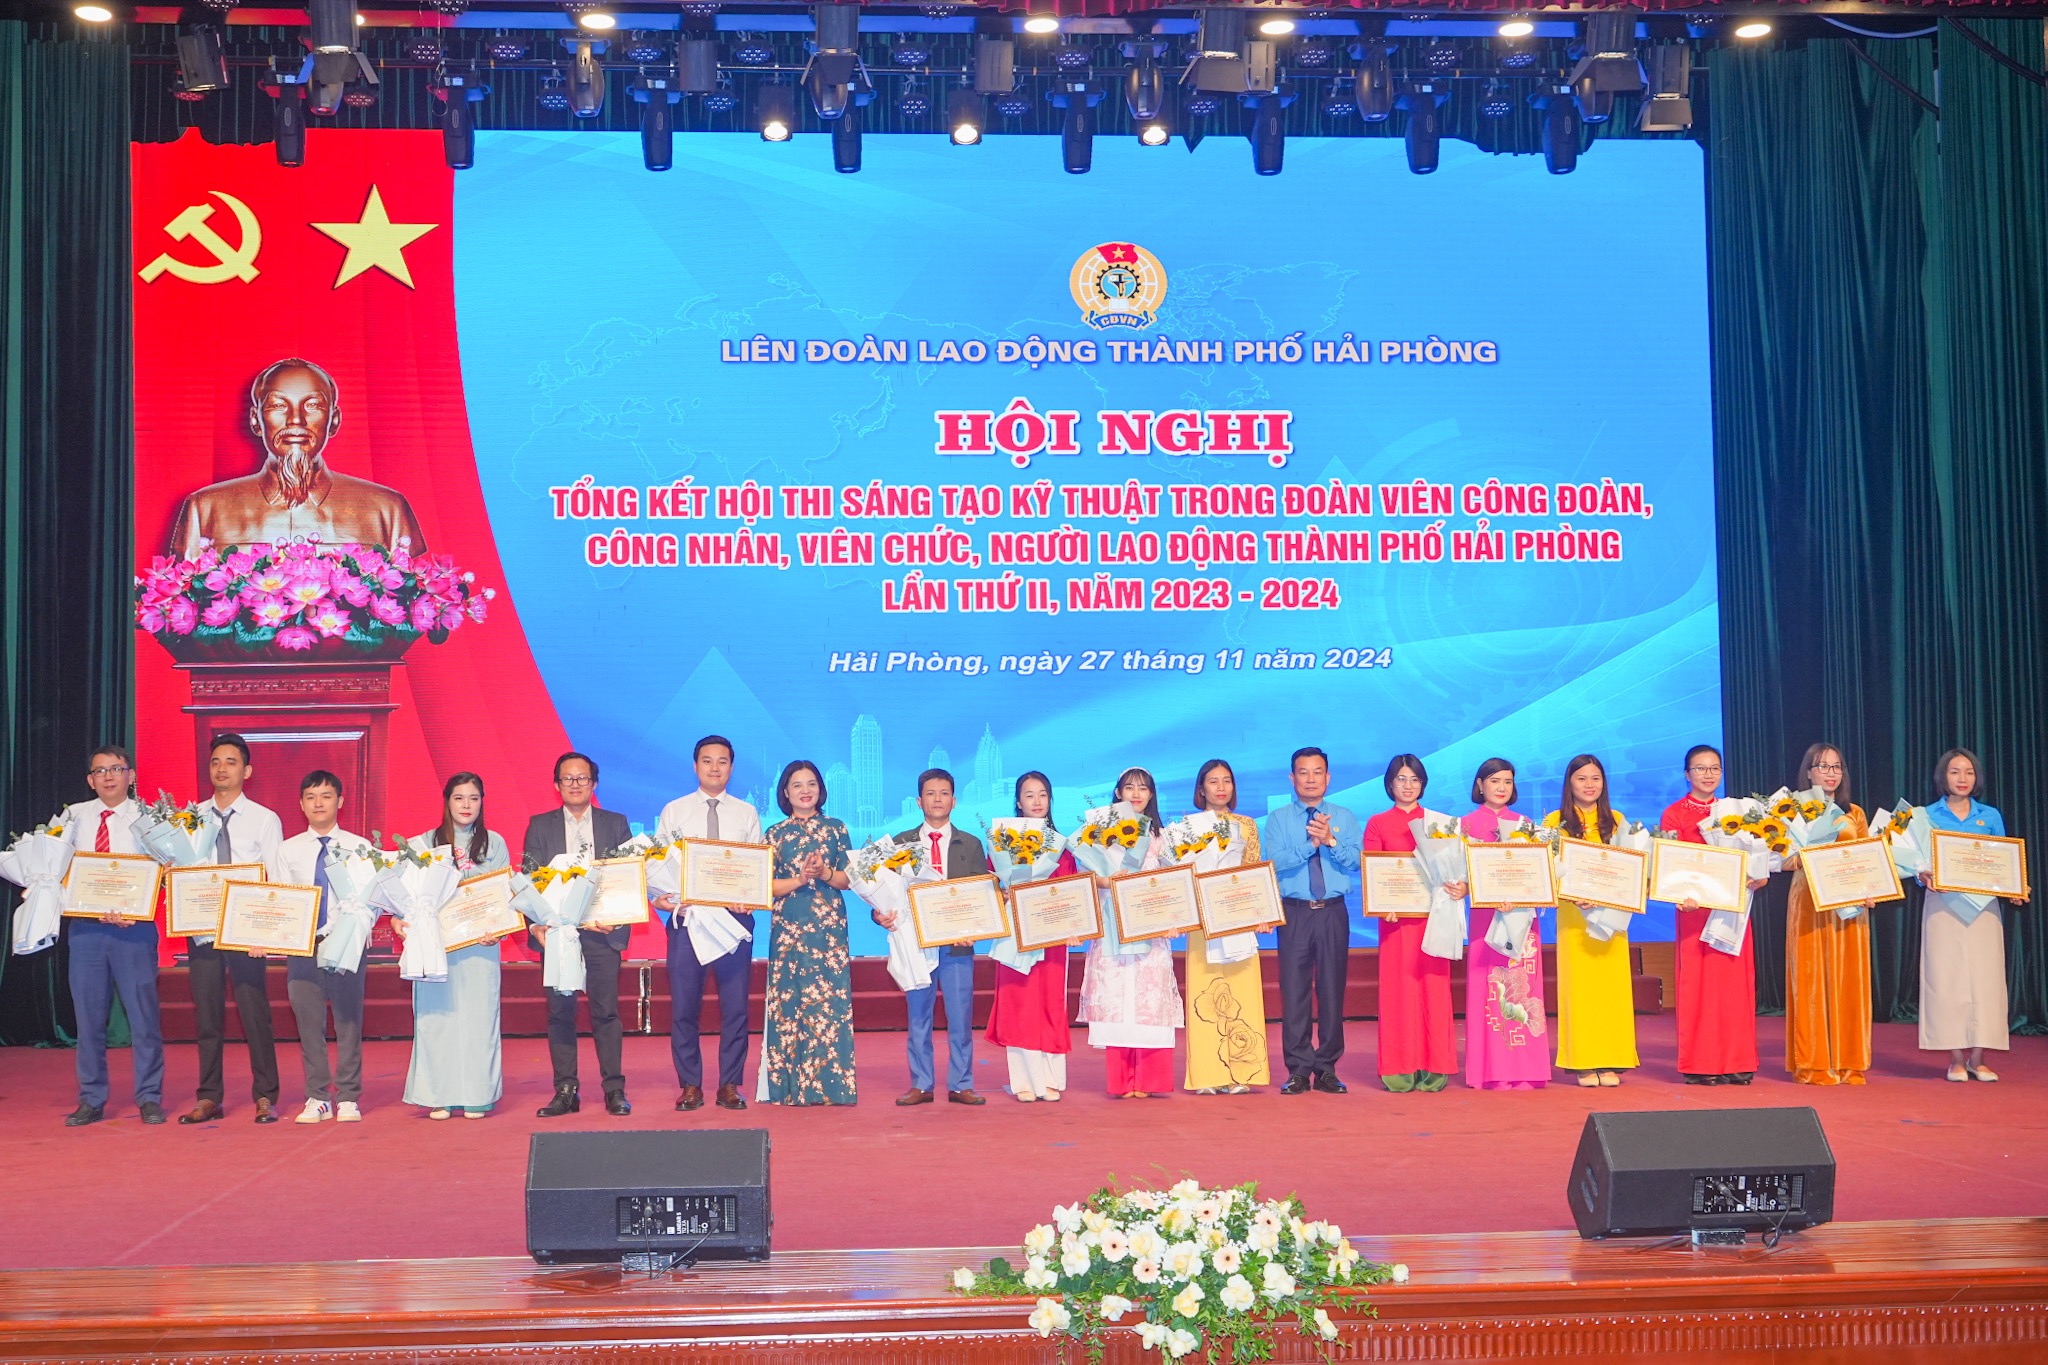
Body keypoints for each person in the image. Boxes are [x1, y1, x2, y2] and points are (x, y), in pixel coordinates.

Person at [167, 357, 426, 560]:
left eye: (313, 405)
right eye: (278, 406)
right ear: (256, 420)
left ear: (334, 420)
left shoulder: (387, 510)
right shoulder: (205, 509)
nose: (295, 420)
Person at [654, 735, 763, 1113]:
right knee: (684, 1008)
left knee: (736, 1009)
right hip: (688, 922)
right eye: (707, 760)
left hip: (733, 922)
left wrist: (750, 896)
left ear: (731, 767)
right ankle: (690, 1085)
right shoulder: (674, 811)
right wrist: (659, 897)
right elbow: (658, 863)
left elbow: (755, 868)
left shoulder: (746, 813)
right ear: (695, 765)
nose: (714, 768)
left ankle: (730, 1084)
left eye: (722, 761)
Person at [181, 733, 286, 1125]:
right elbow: (182, 872)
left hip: (246, 931)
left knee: (254, 1013)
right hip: (203, 928)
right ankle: (209, 1097)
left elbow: (276, 878)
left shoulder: (264, 818)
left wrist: (265, 933)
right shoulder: (189, 818)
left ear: (247, 770)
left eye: (230, 762)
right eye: (215, 762)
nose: (221, 769)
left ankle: (266, 1095)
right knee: (207, 1016)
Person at [522, 751, 634, 1118]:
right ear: (556, 785)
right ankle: (566, 1090)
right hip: (558, 936)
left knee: (606, 1013)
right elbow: (530, 881)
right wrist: (537, 925)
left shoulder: (615, 824)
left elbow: (626, 877)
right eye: (567, 778)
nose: (574, 784)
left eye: (582, 778)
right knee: (560, 1013)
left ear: (594, 784)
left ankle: (614, 1089)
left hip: (601, 934)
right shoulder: (540, 826)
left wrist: (615, 917)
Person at [59, 744, 167, 1127]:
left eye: (116, 769)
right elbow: (56, 868)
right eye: (100, 771)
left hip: (133, 931)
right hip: (86, 931)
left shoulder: (150, 818)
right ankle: (91, 1098)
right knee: (88, 1019)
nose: (108, 776)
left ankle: (149, 1097)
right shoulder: (72, 817)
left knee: (143, 1018)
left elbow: (166, 869)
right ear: (90, 780)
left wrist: (135, 905)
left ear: (131, 775)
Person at [1662, 745, 1769, 1085]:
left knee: (1734, 987)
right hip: (1695, 910)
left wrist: (1760, 874)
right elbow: (1670, 864)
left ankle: (1737, 1060)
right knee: (1699, 987)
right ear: (1687, 774)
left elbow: (1757, 854)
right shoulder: (1674, 814)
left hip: (1733, 909)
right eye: (1700, 768)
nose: (1708, 774)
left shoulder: (1737, 812)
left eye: (1714, 768)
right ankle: (1701, 1062)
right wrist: (1681, 895)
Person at [271, 770, 374, 1123]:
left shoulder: (361, 848)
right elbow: (280, 899)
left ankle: (348, 1096)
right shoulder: (288, 850)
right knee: (308, 1023)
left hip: (348, 943)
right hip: (303, 945)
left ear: (340, 801)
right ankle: (317, 1096)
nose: (318, 803)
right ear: (301, 804)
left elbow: (373, 899)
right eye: (311, 797)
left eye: (326, 796)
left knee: (349, 1021)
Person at [404, 772, 510, 1119]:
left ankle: (478, 1093)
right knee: (438, 1019)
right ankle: (440, 1095)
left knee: (479, 1020)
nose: (466, 805)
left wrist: (498, 930)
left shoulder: (495, 843)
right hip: (437, 946)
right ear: (447, 801)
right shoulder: (424, 843)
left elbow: (505, 894)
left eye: (474, 798)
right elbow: (409, 894)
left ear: (482, 803)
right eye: (459, 798)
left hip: (481, 946)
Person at [1918, 748, 2027, 1082]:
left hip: (1983, 907)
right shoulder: (1925, 815)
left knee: (1986, 979)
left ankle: (1978, 1058)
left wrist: (2015, 886)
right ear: (1943, 776)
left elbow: (2003, 862)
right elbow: (1916, 861)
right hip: (1943, 904)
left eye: (1968, 772)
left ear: (1976, 777)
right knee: (1945, 979)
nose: (1962, 778)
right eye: (1954, 772)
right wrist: (1922, 875)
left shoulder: (1990, 816)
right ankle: (1954, 1058)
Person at [1078, 766, 1185, 1099]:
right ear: (1118, 793)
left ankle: (1149, 1081)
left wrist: (1175, 916)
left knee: (1149, 1000)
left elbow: (1175, 882)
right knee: (1118, 998)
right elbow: (1084, 875)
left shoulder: (1162, 837)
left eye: (1143, 788)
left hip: (1151, 932)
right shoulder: (1100, 834)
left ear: (1151, 794)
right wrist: (1104, 880)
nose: (1136, 794)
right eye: (1129, 787)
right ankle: (1123, 1081)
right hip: (1112, 928)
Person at [885, 768, 987, 1105]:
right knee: (918, 1016)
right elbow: (884, 892)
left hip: (957, 946)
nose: (937, 799)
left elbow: (981, 895)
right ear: (919, 801)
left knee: (961, 1016)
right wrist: (879, 915)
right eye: (930, 793)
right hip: (915, 944)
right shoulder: (901, 844)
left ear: (954, 801)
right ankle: (921, 1084)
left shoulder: (971, 844)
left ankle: (961, 1083)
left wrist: (975, 929)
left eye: (944, 793)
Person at [759, 760, 856, 1106]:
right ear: (785, 792)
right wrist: (800, 879)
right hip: (788, 927)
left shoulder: (836, 829)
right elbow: (765, 886)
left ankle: (831, 1088)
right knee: (789, 1004)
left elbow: (850, 879)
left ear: (820, 789)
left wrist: (825, 872)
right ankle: (788, 1088)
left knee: (829, 1005)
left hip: (828, 929)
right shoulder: (774, 834)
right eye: (797, 785)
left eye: (811, 783)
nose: (805, 790)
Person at [1265, 747, 1360, 1095]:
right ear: (1292, 778)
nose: (1310, 779)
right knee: (1295, 992)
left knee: (1333, 990)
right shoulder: (1278, 819)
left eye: (1317, 772)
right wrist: (1311, 844)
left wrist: (1330, 840)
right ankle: (1299, 1069)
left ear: (1328, 777)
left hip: (1333, 911)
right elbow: (1275, 862)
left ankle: (1327, 1068)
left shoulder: (1344, 816)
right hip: (1295, 912)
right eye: (1303, 772)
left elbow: (1357, 861)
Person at [1360, 754, 1458, 1093]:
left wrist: (1458, 886)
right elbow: (1373, 870)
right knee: (1399, 993)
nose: (1408, 785)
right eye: (1401, 779)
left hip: (1435, 918)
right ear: (1390, 783)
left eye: (1414, 779)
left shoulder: (1440, 824)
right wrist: (1382, 904)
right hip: (1396, 922)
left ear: (1423, 784)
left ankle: (1435, 1066)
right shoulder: (1378, 823)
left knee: (1434, 992)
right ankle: (1399, 1067)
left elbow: (1453, 869)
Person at [1543, 754, 1637, 1087]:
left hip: (1611, 917)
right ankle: (1583, 1061)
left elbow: (1630, 867)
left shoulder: (1617, 820)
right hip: (1575, 916)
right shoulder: (1555, 821)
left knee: (1611, 990)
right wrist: (1570, 893)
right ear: (1569, 783)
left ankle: (1612, 1058)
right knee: (1580, 990)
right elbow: (1547, 868)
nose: (1589, 785)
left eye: (1595, 778)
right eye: (1581, 778)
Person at [986, 771, 1077, 1102]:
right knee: (1019, 1003)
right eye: (1029, 795)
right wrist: (1003, 894)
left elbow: (1073, 891)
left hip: (1052, 936)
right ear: (1018, 802)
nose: (1037, 801)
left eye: (1042, 794)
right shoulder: (1002, 844)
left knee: (1050, 1003)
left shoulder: (1062, 848)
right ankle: (1024, 1080)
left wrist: (1074, 926)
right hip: (1015, 936)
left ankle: (1050, 1079)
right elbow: (990, 886)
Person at [1181, 760, 1269, 1095]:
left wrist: (1261, 913)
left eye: (1227, 781)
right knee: (1205, 995)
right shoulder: (1188, 827)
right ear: (1201, 789)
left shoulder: (1246, 825)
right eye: (1213, 781)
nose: (1221, 787)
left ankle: (1242, 1073)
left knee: (1242, 992)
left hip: (1238, 917)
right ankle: (1207, 1074)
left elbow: (1253, 870)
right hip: (1203, 921)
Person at [1461, 759, 1550, 1090]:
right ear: (1480, 784)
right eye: (1494, 781)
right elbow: (1461, 875)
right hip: (1486, 917)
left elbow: (1538, 874)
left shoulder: (1526, 825)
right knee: (1490, 991)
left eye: (1508, 782)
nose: (1501, 787)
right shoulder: (1465, 826)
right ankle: (1493, 1071)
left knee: (1524, 990)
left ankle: (1526, 1070)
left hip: (1521, 918)